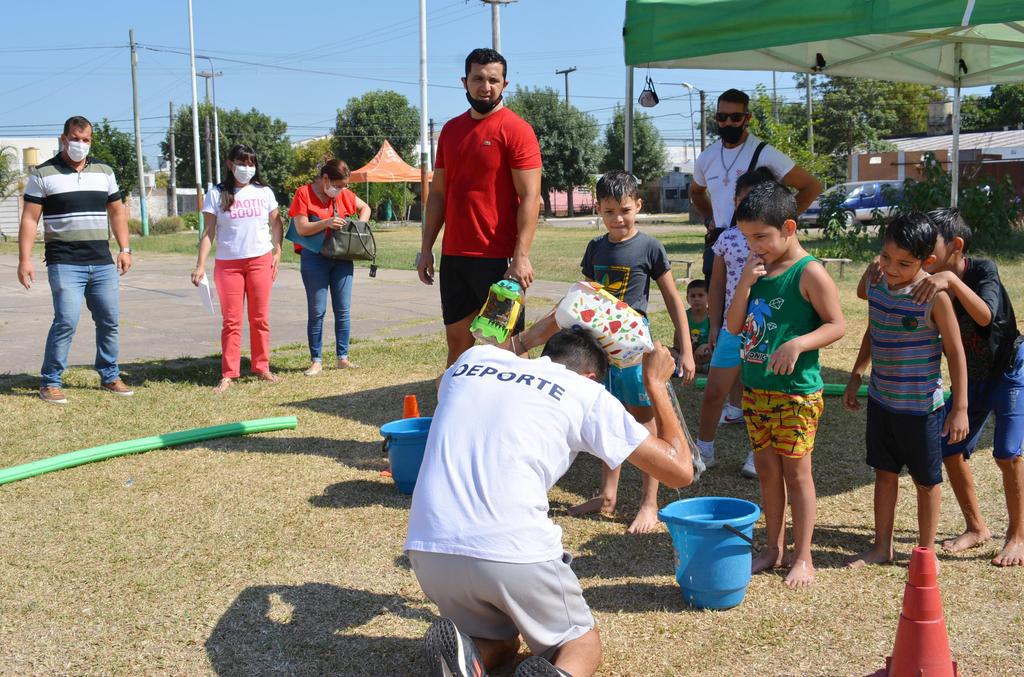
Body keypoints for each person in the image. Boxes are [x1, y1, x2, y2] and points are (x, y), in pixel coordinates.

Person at [406, 328, 694, 677]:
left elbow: (442, 384)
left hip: (430, 551)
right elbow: (680, 471)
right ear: (592, 376)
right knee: (578, 642)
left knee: (501, 638)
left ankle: (470, 658)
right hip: (513, 551)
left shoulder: (474, 360)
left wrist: (530, 337)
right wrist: (657, 384)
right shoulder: (585, 393)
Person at [725, 180, 845, 588]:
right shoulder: (757, 271)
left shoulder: (809, 272)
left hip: (795, 394)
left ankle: (803, 556)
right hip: (757, 390)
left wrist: (798, 343)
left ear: (789, 227)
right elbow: (733, 325)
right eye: (746, 238)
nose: (753, 245)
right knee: (766, 472)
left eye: (761, 236)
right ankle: (773, 548)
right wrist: (744, 282)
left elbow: (837, 324)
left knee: (797, 476)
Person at [565, 170, 695, 534]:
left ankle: (649, 503)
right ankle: (607, 497)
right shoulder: (595, 248)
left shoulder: (649, 247)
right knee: (609, 417)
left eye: (624, 210)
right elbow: (587, 296)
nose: (618, 219)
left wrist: (684, 348)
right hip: (601, 348)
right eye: (609, 212)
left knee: (643, 420)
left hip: (635, 349)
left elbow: (672, 297)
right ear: (598, 210)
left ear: (638, 205)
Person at [843, 213, 968, 568]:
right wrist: (856, 374)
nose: (892, 268)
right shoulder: (878, 280)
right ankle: (882, 547)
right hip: (882, 401)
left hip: (921, 409)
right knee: (883, 473)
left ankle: (925, 553)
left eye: (904, 263)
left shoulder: (933, 296)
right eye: (886, 257)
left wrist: (960, 407)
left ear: (927, 262)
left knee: (926, 481)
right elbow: (874, 326)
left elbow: (956, 352)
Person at [910, 209, 1023, 567]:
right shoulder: (926, 279)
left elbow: (985, 316)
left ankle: (1017, 537)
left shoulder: (982, 270)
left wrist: (951, 281)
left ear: (956, 247)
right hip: (971, 379)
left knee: (1008, 454)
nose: (923, 254)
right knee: (948, 447)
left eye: (930, 247)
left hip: (1009, 371)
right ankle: (977, 528)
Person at [417, 47, 542, 367]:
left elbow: (530, 197)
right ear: (464, 81)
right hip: (456, 258)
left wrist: (521, 256)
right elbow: (439, 195)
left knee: (508, 346)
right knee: (458, 341)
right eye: (477, 79)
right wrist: (426, 248)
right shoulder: (451, 131)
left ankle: (515, 414)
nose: (485, 86)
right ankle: (458, 410)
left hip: (498, 261)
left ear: (505, 84)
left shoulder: (517, 130)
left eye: (492, 80)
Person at [17, 115, 134, 404]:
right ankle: (50, 382)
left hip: (102, 261)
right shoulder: (43, 174)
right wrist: (24, 259)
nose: (80, 144)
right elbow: (30, 219)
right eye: (75, 139)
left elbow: (117, 212)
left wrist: (125, 248)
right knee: (66, 320)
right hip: (64, 262)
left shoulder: (104, 172)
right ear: (63, 138)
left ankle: (109, 375)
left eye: (86, 140)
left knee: (109, 320)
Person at [698, 167, 779, 478]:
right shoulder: (727, 240)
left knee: (760, 393)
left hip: (766, 331)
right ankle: (704, 448)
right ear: (734, 200)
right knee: (715, 390)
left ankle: (757, 453)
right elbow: (716, 286)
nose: (749, 207)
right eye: (743, 200)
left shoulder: (777, 243)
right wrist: (714, 326)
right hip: (733, 328)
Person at [191, 144, 284, 393]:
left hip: (259, 261)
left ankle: (262, 366)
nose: (247, 168)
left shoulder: (264, 192)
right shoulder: (216, 194)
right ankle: (228, 373)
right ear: (230, 165)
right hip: (228, 266)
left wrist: (278, 250)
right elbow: (209, 232)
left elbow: (276, 223)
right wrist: (200, 265)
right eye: (242, 163)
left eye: (251, 163)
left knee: (260, 318)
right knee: (231, 322)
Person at [288, 159, 372, 376]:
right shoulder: (303, 193)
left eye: (344, 185)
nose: (342, 190)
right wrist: (326, 223)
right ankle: (316, 360)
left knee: (343, 310)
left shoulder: (343, 194)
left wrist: (358, 226)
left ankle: (342, 358)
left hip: (342, 257)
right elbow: (302, 228)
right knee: (317, 311)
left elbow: (365, 208)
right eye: (339, 185)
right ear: (325, 179)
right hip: (314, 258)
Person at [686, 279, 712, 374]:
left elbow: (715, 339)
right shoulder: (684, 316)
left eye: (700, 295)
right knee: (668, 351)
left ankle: (699, 368)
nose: (696, 299)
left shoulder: (712, 315)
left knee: (718, 355)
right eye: (692, 296)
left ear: (708, 297)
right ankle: (697, 367)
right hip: (689, 352)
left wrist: (706, 346)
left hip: (706, 352)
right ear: (687, 299)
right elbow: (677, 343)